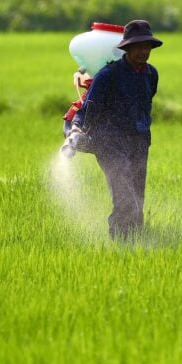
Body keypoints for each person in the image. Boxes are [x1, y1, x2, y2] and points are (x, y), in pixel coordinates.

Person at [71, 20, 162, 240]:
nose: (144, 51)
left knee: (137, 197)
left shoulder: (151, 74)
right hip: (110, 143)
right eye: (138, 47)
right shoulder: (109, 74)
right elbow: (89, 107)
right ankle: (120, 242)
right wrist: (76, 130)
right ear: (127, 48)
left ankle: (136, 240)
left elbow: (145, 105)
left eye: (147, 47)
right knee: (125, 196)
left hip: (139, 142)